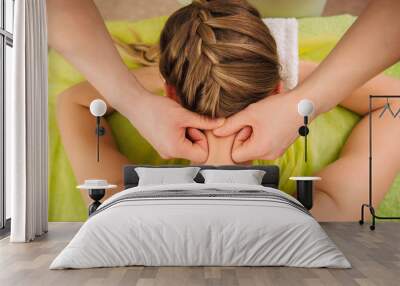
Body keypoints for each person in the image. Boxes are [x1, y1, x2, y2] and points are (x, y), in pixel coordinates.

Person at [56, 0, 400, 221]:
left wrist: (142, 93)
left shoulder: (121, 211)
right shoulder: (322, 214)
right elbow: (393, 103)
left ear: (169, 93)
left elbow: (74, 101)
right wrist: (294, 74)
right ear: (278, 90)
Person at [47, 0, 224, 164]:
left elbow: (73, 101)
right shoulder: (110, 195)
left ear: (169, 92)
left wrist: (159, 81)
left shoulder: (110, 195)